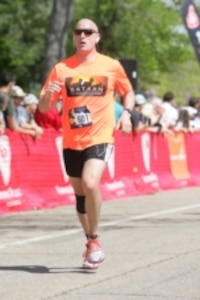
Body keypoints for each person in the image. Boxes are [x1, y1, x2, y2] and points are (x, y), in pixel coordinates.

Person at [39, 18, 134, 270]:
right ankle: (90, 241)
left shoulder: (111, 66)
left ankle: (95, 240)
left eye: (87, 32)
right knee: (80, 196)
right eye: (78, 32)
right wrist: (49, 95)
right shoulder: (62, 68)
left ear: (97, 37)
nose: (82, 36)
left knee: (91, 183)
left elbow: (128, 91)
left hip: (100, 136)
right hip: (72, 140)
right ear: (74, 37)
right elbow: (43, 107)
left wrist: (126, 113)